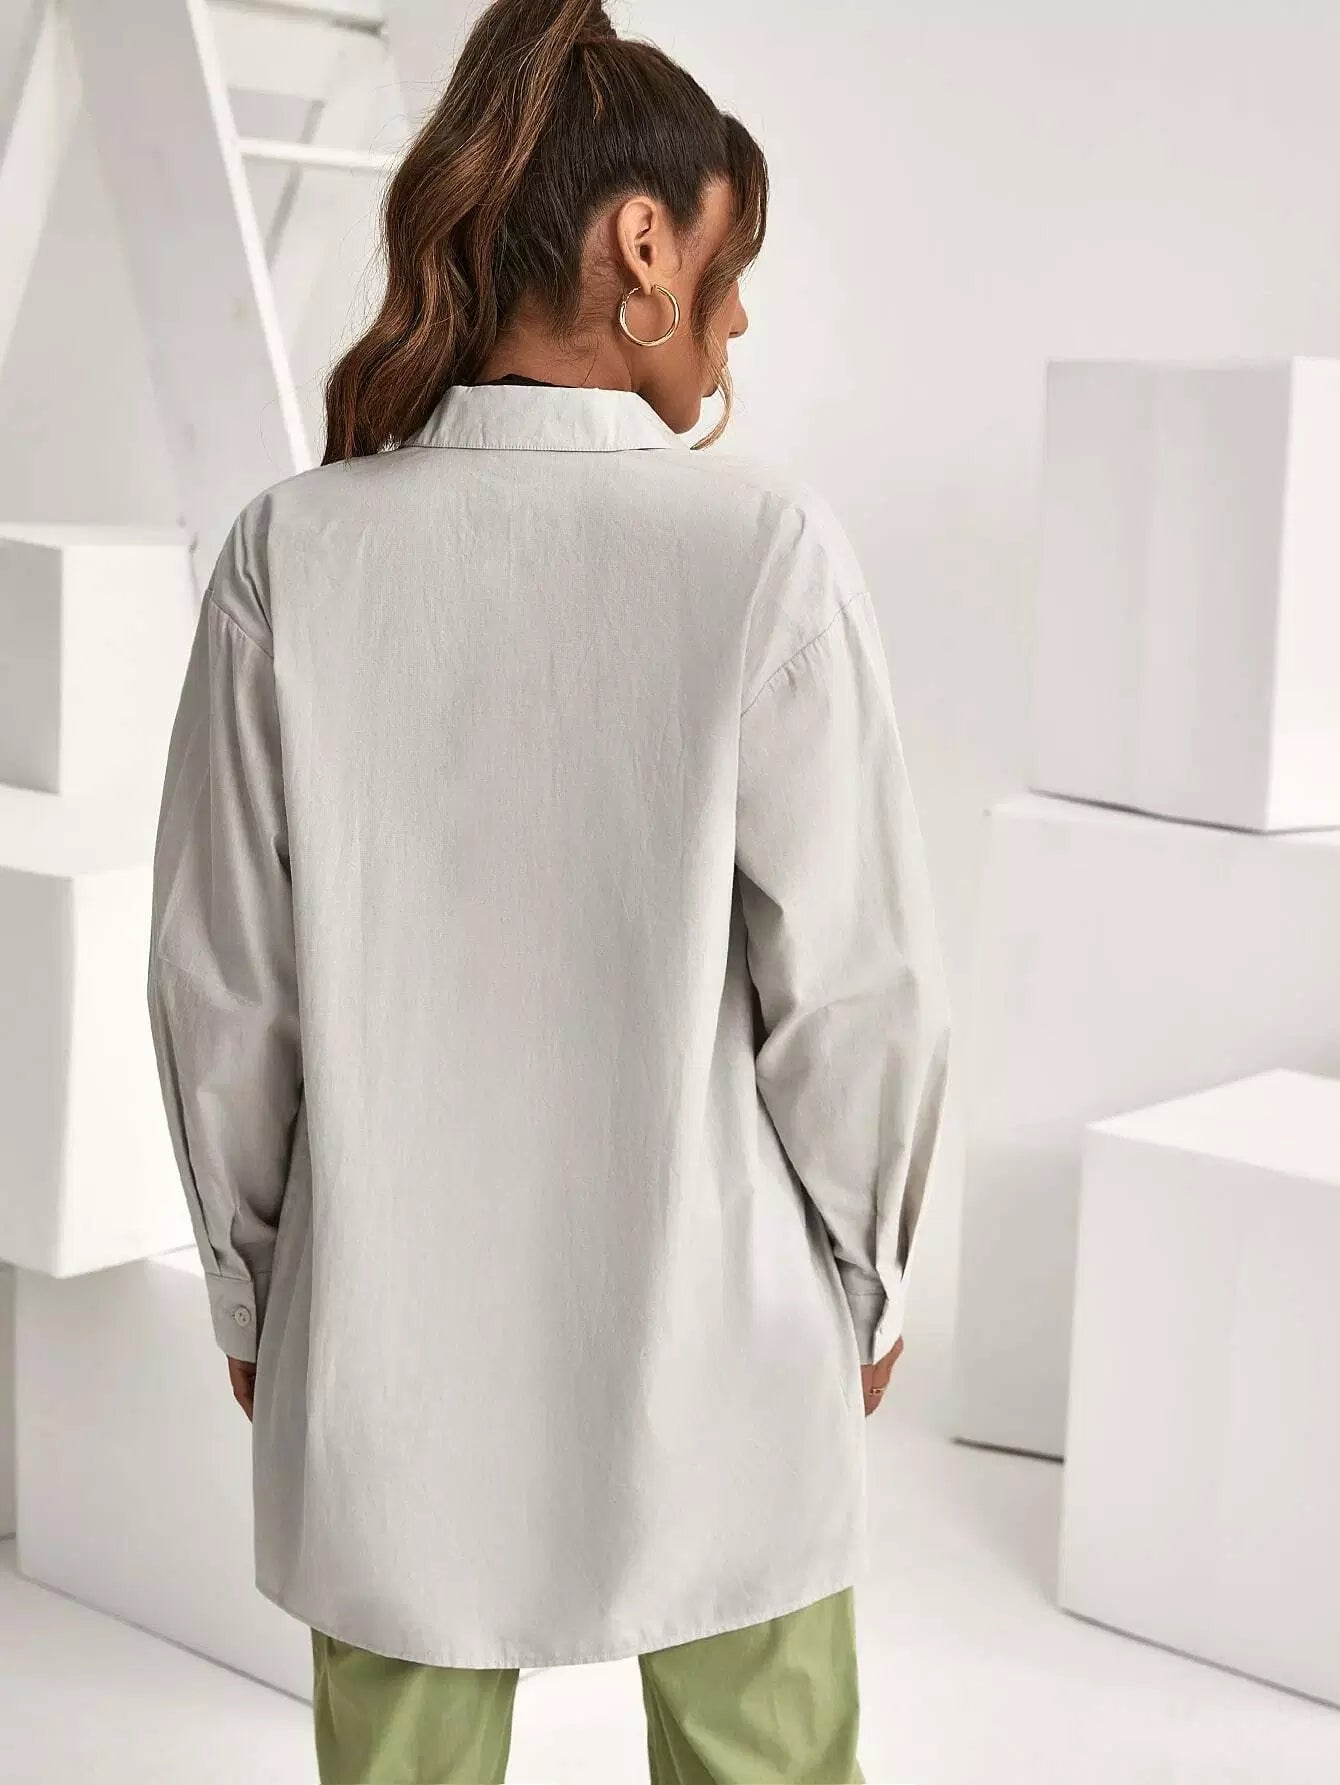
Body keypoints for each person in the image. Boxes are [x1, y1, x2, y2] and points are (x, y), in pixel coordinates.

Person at [144, 1, 951, 1779]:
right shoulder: (763, 551)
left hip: (390, 1356)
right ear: (642, 244)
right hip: (726, 1336)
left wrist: (258, 1291)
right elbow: (856, 991)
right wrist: (870, 1277)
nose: (741, 317)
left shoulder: (292, 554)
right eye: (733, 261)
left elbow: (223, 997)